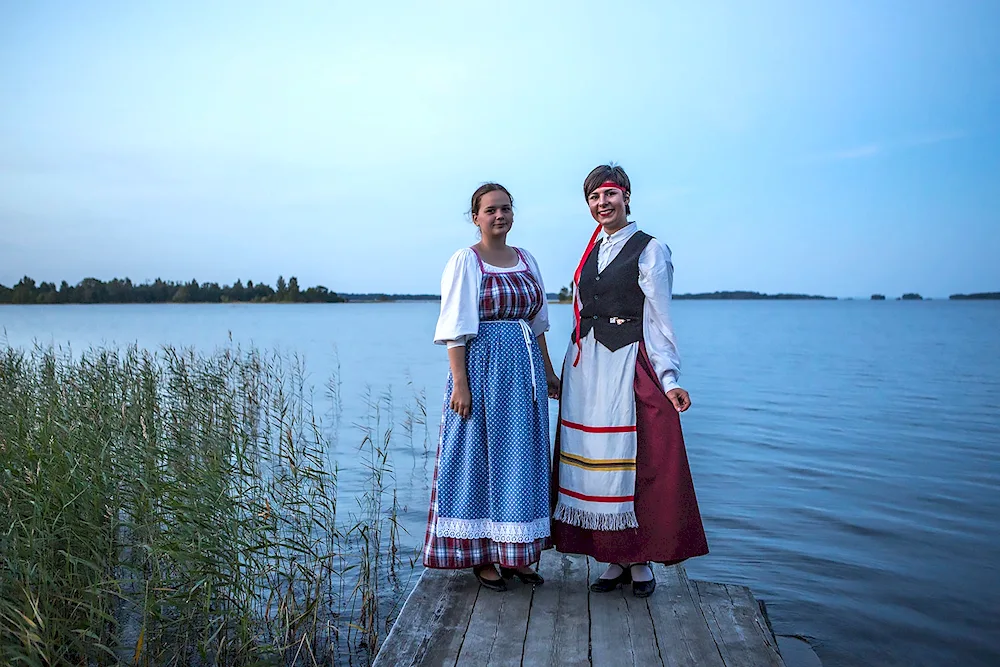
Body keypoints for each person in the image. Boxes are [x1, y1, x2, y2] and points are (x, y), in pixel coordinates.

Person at [552, 164, 709, 597]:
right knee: (593, 461)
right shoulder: (590, 250)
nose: (601, 204)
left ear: (626, 197)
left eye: (609, 195)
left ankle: (639, 561)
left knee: (637, 457)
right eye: (593, 198)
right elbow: (579, 312)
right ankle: (612, 558)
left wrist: (669, 377)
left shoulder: (650, 249)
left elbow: (660, 320)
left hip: (627, 361)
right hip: (587, 369)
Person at [423, 183, 560, 592]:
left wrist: (549, 373)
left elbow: (537, 326)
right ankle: (481, 555)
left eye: (506, 208)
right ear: (476, 217)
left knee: (522, 456)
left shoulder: (526, 259)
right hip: (483, 369)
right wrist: (460, 385)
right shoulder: (466, 260)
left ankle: (516, 555)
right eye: (491, 210)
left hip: (526, 370)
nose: (500, 215)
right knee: (478, 457)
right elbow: (454, 330)